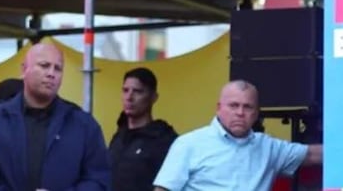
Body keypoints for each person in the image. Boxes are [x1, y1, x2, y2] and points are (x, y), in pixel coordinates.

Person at [0, 43, 110, 191]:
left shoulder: (83, 125)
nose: (51, 73)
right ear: (24, 70)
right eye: (44, 65)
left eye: (58, 68)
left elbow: (99, 179)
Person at [153, 81, 322, 191]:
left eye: (247, 107)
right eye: (234, 106)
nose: (240, 113)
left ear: (256, 113)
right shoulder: (188, 144)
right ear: (219, 108)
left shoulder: (268, 148)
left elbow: (312, 154)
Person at [108, 68, 177, 191]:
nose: (129, 97)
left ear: (153, 97)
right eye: (125, 90)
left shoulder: (164, 140)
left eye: (138, 91)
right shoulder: (119, 136)